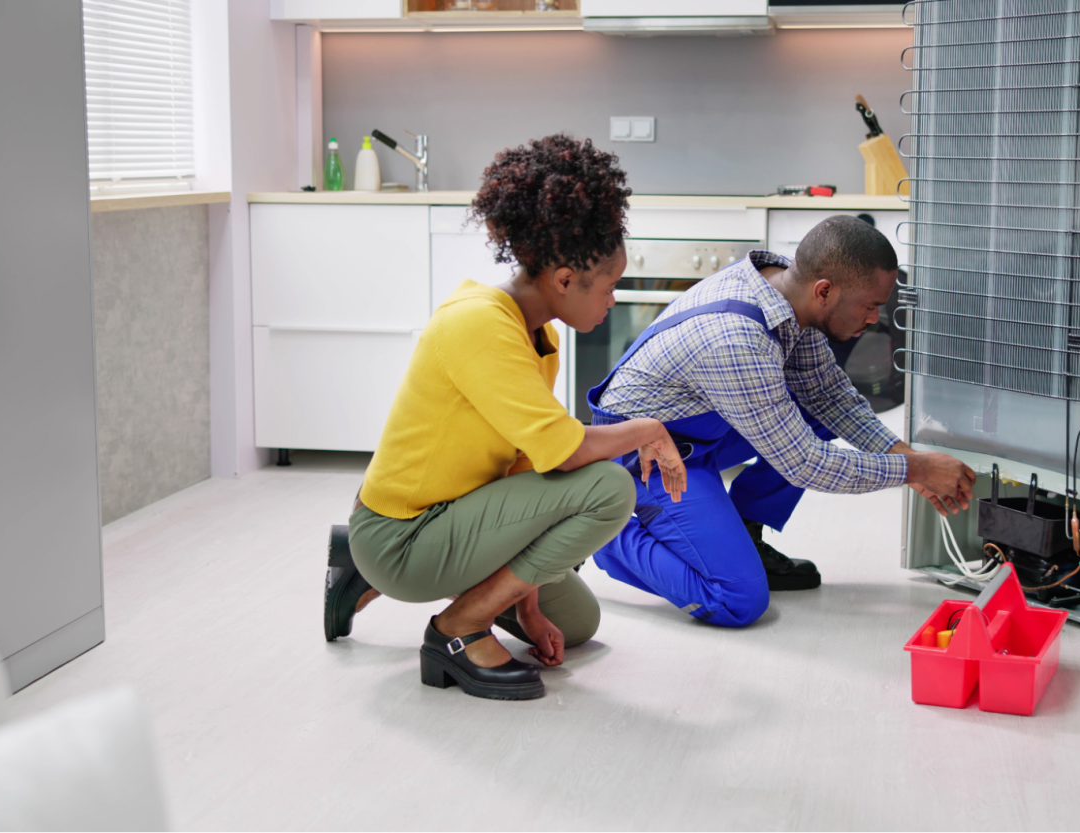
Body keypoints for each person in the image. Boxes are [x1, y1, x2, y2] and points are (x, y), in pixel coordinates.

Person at [322, 135, 687, 701]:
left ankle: (362, 569)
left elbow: (525, 470)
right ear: (565, 279)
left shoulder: (537, 335)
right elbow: (565, 452)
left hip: (456, 515)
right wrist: (648, 429)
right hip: (404, 534)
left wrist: (530, 606)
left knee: (576, 624)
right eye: (610, 287)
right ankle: (454, 631)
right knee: (608, 488)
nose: (613, 301)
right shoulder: (480, 324)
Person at [588, 216, 975, 628]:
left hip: (697, 426)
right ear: (824, 291)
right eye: (869, 306)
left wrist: (908, 459)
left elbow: (828, 395)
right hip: (644, 454)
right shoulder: (738, 339)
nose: (874, 318)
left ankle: (745, 536)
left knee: (814, 409)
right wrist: (917, 469)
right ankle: (602, 536)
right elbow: (804, 464)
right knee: (737, 600)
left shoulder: (787, 294)